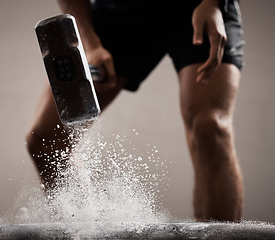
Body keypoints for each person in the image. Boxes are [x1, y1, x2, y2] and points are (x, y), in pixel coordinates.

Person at [26, 0, 244, 222]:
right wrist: (91, 46)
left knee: (210, 127)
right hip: (121, 12)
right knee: (45, 141)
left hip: (198, 7)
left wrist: (214, 4)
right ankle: (82, 231)